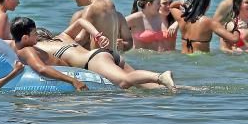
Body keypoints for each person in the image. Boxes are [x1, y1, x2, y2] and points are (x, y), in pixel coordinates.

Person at [32, 19, 175, 91]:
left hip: (94, 60)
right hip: (105, 54)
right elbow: (81, 21)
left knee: (124, 81)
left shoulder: (38, 47)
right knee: (143, 85)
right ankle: (176, 88)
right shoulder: (63, 36)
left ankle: (159, 76)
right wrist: (96, 35)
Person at [10, 17, 87, 91]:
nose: (37, 35)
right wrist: (73, 81)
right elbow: (41, 69)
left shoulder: (14, 45)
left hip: (66, 68)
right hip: (66, 71)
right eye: (35, 33)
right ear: (25, 38)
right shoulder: (27, 50)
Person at [67, 0, 132, 54]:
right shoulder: (110, 5)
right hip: (112, 57)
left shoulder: (92, 9)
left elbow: (81, 39)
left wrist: (61, 45)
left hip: (99, 58)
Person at [170, 0, 241, 53]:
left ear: (191, 0)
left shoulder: (182, 17)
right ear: (208, 3)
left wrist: (183, 2)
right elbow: (234, 39)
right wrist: (235, 25)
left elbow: (172, 7)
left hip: (184, 59)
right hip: (200, 61)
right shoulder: (209, 22)